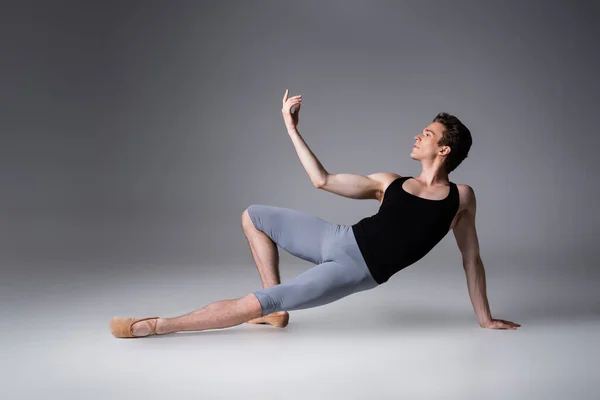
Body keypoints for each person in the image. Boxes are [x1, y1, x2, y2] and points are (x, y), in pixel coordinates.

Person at [109, 89, 520, 338]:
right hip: (337, 238)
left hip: (354, 271)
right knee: (254, 215)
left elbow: (472, 261)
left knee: (259, 301)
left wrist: (484, 319)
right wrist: (292, 129)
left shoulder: (460, 198)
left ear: (443, 150)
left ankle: (158, 325)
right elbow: (322, 180)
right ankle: (277, 315)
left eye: (427, 134)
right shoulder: (389, 181)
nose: (418, 135)